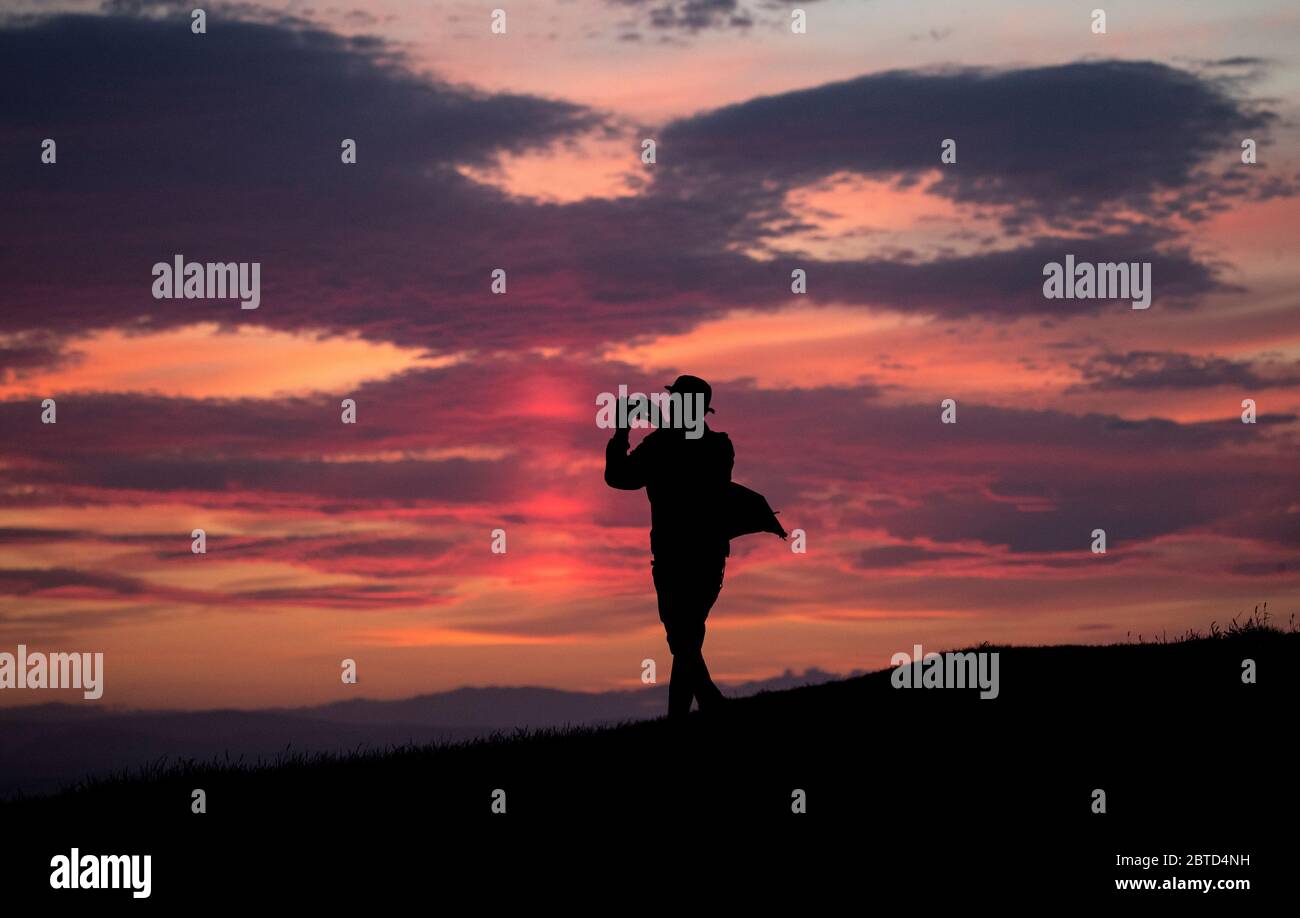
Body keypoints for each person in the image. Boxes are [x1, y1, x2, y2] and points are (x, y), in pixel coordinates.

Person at [604, 375, 734, 719]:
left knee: (682, 637)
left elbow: (618, 476)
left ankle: (707, 701)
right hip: (708, 555)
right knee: (688, 636)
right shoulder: (719, 446)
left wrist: (622, 431)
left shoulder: (663, 445)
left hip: (676, 555)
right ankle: (686, 712)